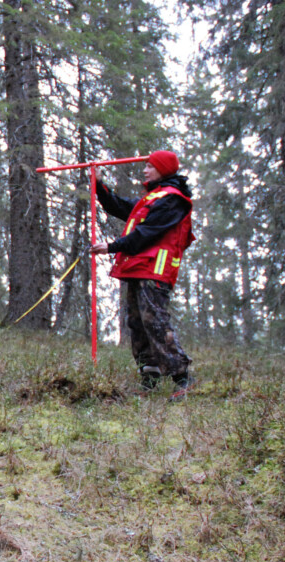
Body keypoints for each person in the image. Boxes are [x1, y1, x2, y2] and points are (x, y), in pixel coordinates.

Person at [90, 150, 194, 401]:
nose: (145, 171)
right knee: (137, 323)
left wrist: (112, 246)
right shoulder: (153, 198)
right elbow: (121, 207)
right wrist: (99, 185)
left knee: (154, 321)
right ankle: (149, 376)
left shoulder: (173, 200)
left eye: (150, 166)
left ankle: (182, 377)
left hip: (156, 271)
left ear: (163, 169)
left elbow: (148, 232)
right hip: (139, 269)